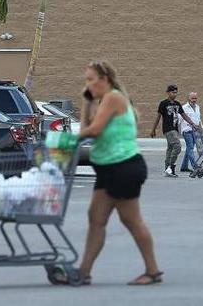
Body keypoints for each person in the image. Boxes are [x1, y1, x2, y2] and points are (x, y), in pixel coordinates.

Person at [76, 60, 163, 286]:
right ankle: (83, 271)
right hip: (108, 169)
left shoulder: (113, 98)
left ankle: (152, 271)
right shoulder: (103, 101)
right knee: (96, 218)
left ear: (104, 79)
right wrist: (86, 102)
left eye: (90, 79)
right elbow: (87, 126)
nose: (87, 84)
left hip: (123, 167)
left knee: (131, 220)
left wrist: (66, 141)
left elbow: (93, 131)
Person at [150, 84, 198, 177]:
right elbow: (158, 117)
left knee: (170, 148)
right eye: (172, 92)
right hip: (168, 129)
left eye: (176, 92)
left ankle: (167, 169)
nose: (174, 94)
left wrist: (193, 124)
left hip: (175, 129)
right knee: (177, 146)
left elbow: (184, 115)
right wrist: (153, 129)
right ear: (168, 93)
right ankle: (170, 168)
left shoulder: (177, 104)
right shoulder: (163, 103)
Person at [179, 91, 203, 177]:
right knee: (190, 148)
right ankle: (195, 166)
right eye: (192, 98)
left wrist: (201, 128)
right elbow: (180, 118)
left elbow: (198, 118)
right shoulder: (184, 107)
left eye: (195, 98)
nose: (194, 100)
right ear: (189, 98)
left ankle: (184, 166)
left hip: (195, 131)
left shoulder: (197, 107)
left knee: (189, 148)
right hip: (187, 130)